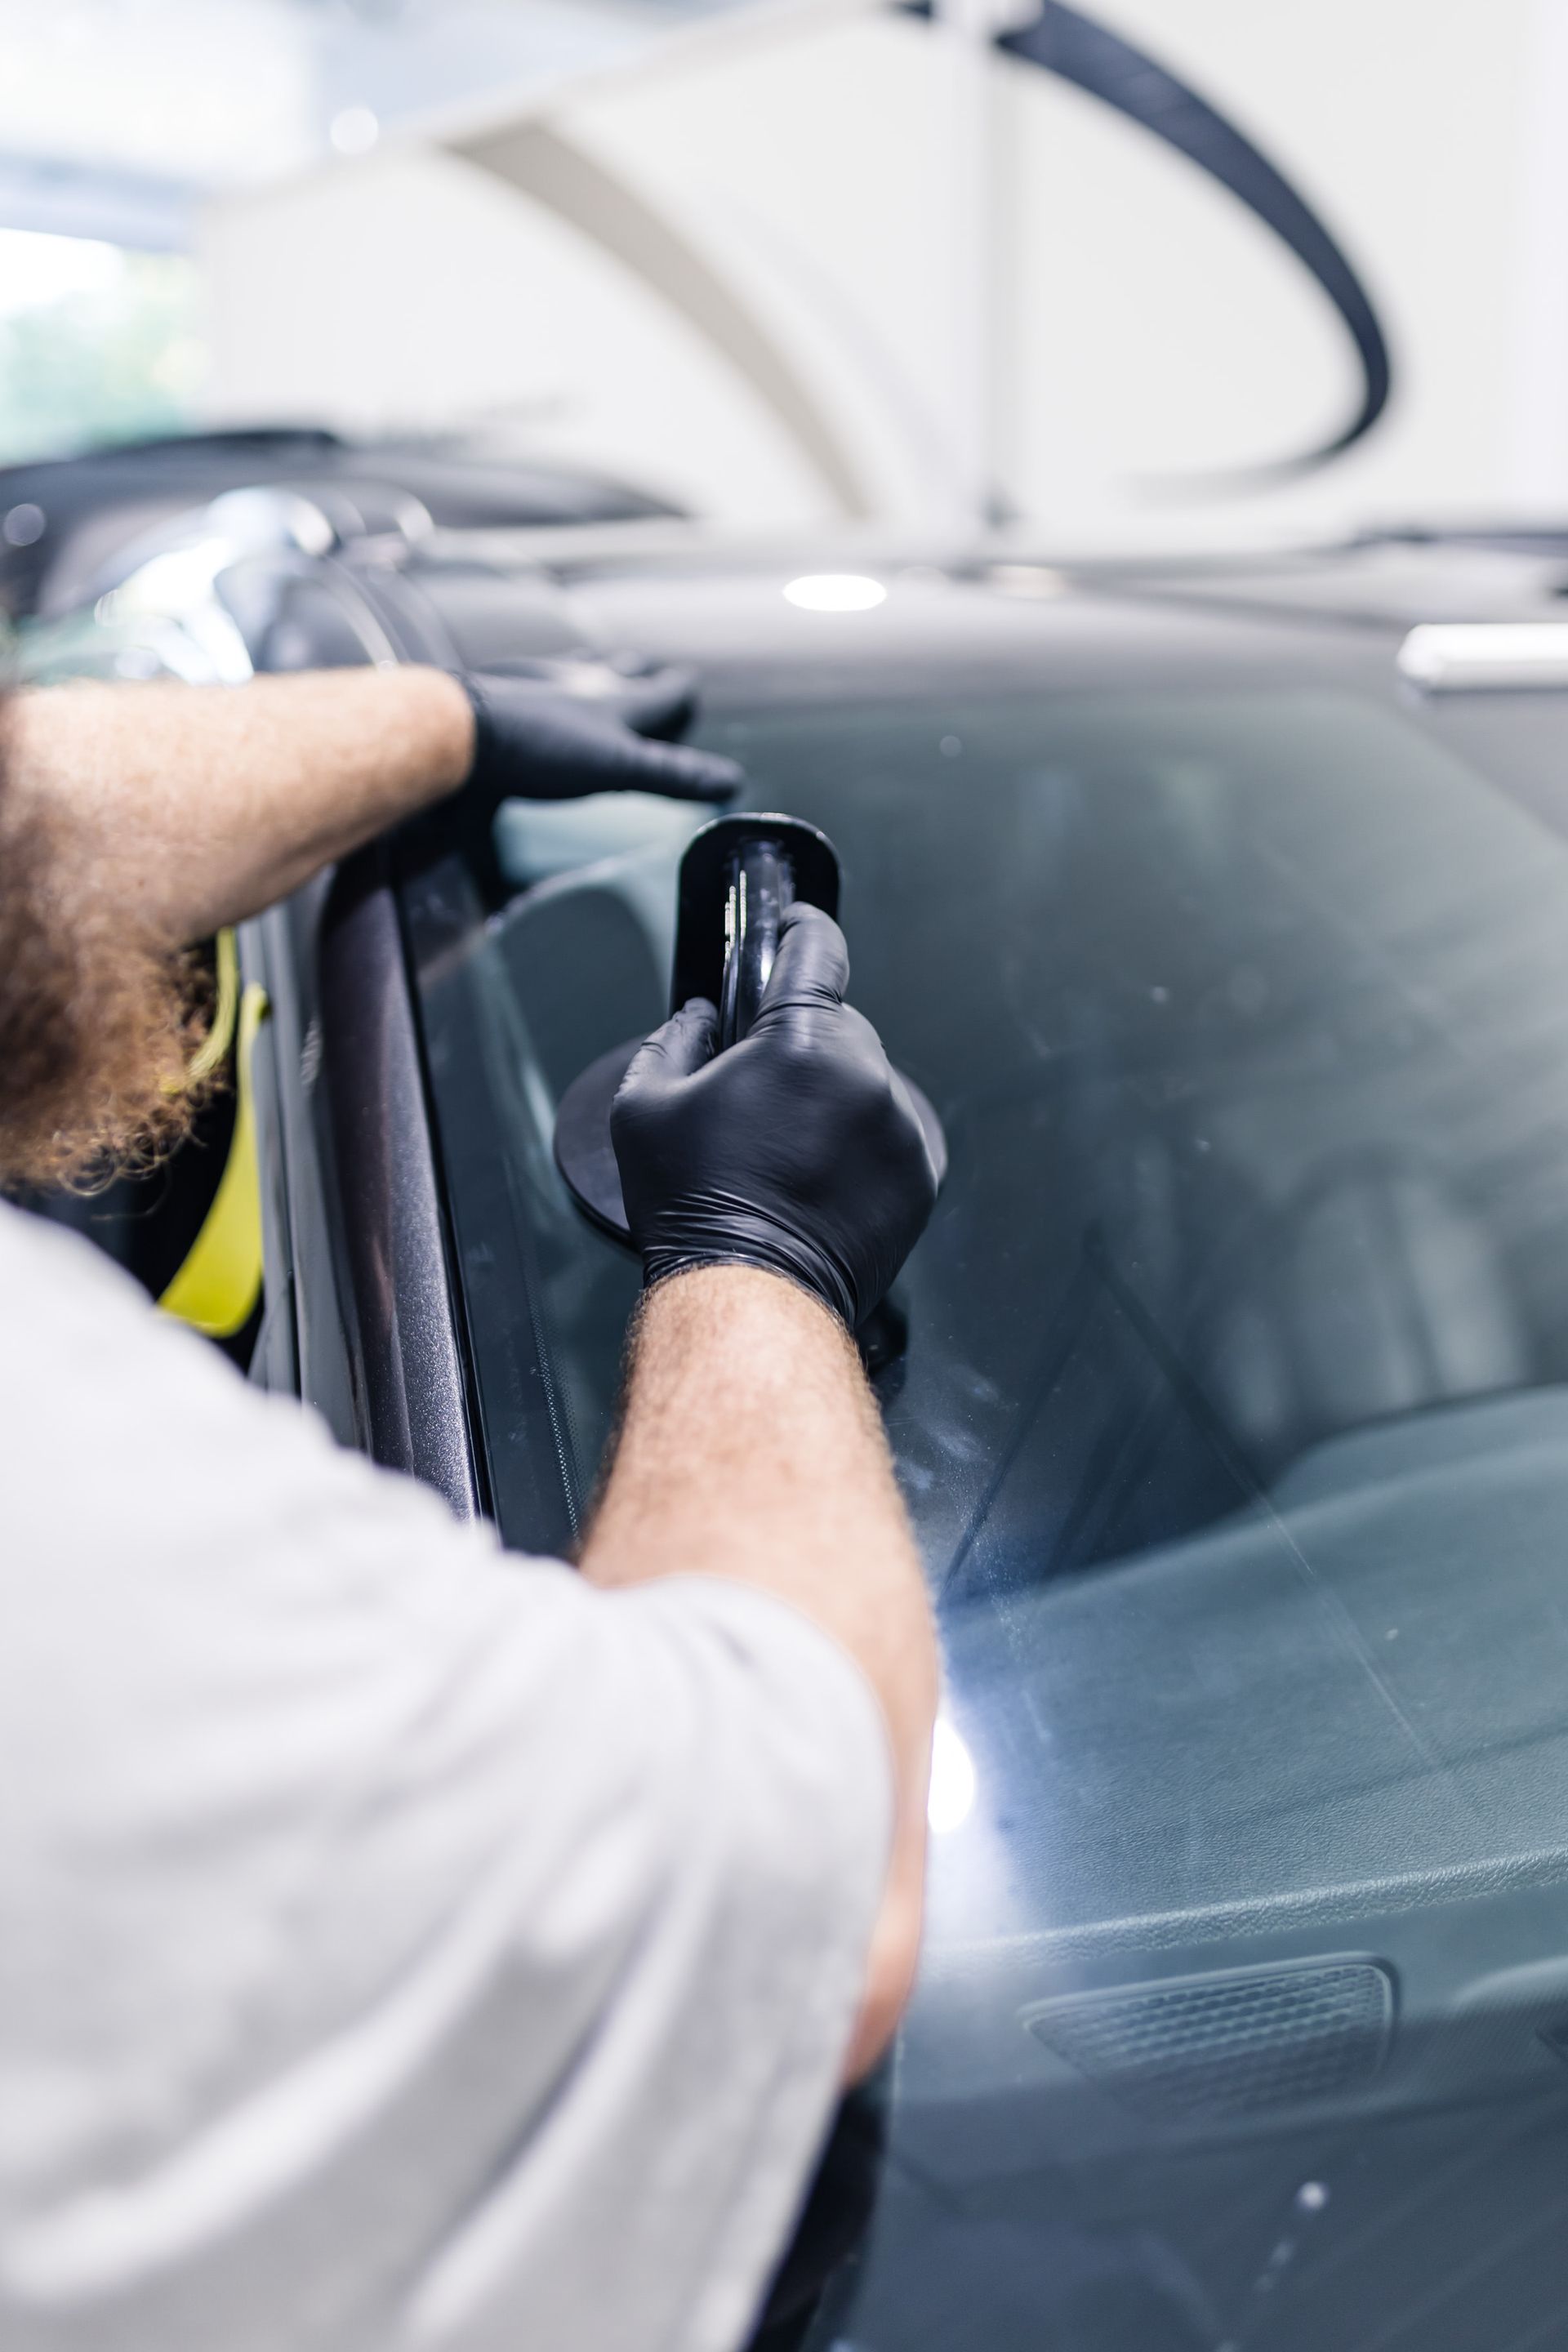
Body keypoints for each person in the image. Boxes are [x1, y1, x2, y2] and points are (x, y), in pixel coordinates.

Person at [0, 664, 941, 2352]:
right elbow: (780, 1880)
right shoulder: (58, 1493)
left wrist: (442, 721)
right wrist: (760, 1257)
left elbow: (37, 825)